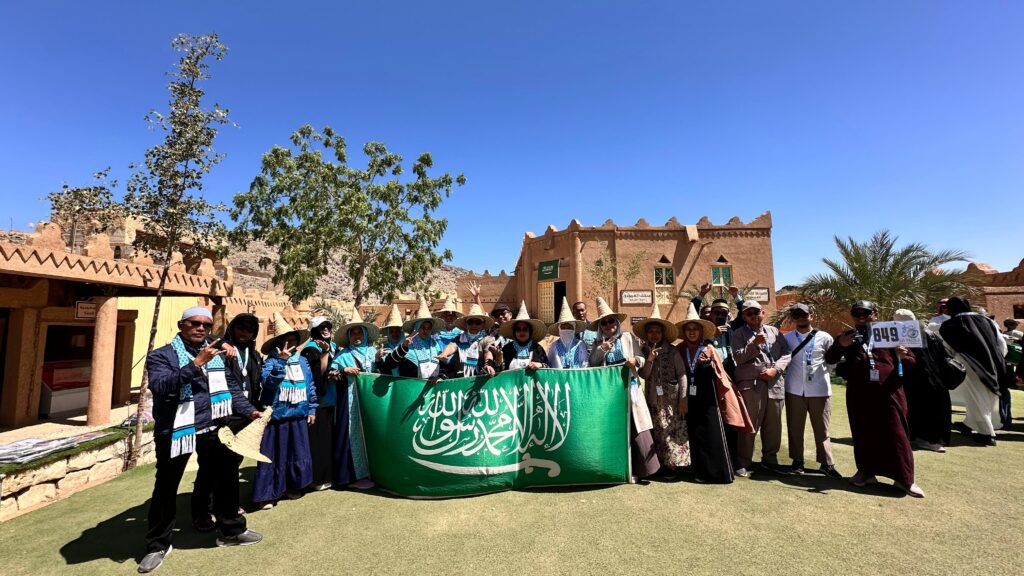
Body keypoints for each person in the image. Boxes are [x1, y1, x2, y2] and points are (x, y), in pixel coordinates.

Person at [139, 307, 262, 574]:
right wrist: (195, 364)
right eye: (194, 323)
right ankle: (157, 545)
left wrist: (250, 410)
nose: (201, 328)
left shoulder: (216, 355)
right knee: (166, 487)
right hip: (176, 431)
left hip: (213, 425)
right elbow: (161, 386)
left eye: (206, 325)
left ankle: (231, 530)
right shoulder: (162, 355)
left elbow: (231, 388)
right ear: (181, 325)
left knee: (227, 478)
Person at [826, 301, 923, 497]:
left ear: (875, 314)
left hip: (888, 391)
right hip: (859, 392)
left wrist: (903, 356)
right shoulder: (847, 336)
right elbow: (830, 359)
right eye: (857, 313)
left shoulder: (890, 333)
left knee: (896, 433)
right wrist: (840, 345)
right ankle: (866, 472)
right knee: (862, 432)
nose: (861, 317)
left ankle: (904, 479)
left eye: (866, 313)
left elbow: (912, 361)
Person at [192, 312, 263, 531]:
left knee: (232, 466)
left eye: (249, 330)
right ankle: (202, 511)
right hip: (222, 414)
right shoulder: (221, 349)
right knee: (209, 467)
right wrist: (223, 342)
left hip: (244, 413)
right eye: (240, 328)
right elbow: (206, 336)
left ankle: (225, 505)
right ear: (232, 328)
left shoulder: (254, 354)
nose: (244, 333)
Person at [676, 303, 751, 483]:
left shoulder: (709, 349)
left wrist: (708, 366)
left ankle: (717, 473)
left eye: (695, 329)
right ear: (684, 331)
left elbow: (720, 376)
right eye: (689, 329)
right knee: (694, 435)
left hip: (709, 399)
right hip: (688, 398)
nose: (692, 332)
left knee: (710, 435)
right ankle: (698, 471)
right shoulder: (680, 349)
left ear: (701, 331)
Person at [588, 297, 660, 481]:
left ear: (617, 322)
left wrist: (635, 360)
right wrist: (602, 349)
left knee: (636, 427)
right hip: (609, 395)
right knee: (615, 429)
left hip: (631, 389)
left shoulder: (627, 337)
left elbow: (641, 358)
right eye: (604, 323)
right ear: (600, 327)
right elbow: (592, 363)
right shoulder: (597, 343)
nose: (608, 325)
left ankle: (643, 470)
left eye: (611, 321)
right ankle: (620, 470)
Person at [253, 314, 315, 508]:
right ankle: (267, 494)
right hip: (276, 417)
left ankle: (292, 487)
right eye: (286, 340)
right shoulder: (270, 361)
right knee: (272, 456)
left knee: (296, 453)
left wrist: (312, 409)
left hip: (298, 415)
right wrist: (281, 362)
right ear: (279, 343)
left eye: (294, 339)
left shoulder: (302, 362)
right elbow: (268, 384)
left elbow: (310, 386)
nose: (290, 343)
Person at [730, 300, 791, 476]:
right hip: (752, 385)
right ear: (744, 317)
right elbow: (738, 358)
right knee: (750, 424)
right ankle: (743, 461)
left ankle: (770, 460)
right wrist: (754, 344)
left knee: (773, 425)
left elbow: (787, 353)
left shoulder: (774, 332)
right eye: (749, 314)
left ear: (763, 313)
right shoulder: (739, 334)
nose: (754, 316)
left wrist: (776, 369)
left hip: (774, 383)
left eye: (756, 312)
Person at [781, 304, 841, 478]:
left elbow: (831, 361)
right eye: (796, 315)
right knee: (795, 428)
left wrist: (822, 375)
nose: (801, 318)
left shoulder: (825, 337)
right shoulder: (786, 338)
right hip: (794, 389)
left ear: (811, 316)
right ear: (792, 318)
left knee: (822, 429)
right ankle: (797, 461)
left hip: (819, 389)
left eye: (804, 315)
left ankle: (826, 463)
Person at [940, 296, 1007, 445]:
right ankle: (968, 424)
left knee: (975, 396)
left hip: (968, 364)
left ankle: (986, 434)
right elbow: (1001, 344)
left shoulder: (950, 324)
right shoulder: (987, 320)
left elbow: (948, 349)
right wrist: (996, 359)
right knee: (988, 395)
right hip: (993, 363)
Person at [635, 304, 690, 477]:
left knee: (671, 434)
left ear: (662, 333)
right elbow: (643, 375)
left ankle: (672, 467)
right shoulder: (643, 350)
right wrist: (650, 359)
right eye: (651, 332)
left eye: (657, 331)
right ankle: (659, 466)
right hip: (653, 401)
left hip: (671, 401)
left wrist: (683, 399)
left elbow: (682, 375)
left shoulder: (672, 351)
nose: (654, 335)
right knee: (657, 434)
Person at [329, 309, 377, 489]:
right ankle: (349, 476)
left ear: (365, 334)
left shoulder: (373, 352)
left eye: (360, 333)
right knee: (349, 435)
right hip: (349, 402)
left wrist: (380, 360)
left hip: (370, 401)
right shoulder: (343, 355)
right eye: (353, 333)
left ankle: (371, 472)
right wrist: (343, 370)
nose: (357, 336)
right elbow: (330, 374)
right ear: (349, 336)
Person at [893, 309, 952, 453]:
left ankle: (926, 439)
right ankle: (929, 439)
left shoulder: (904, 335)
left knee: (920, 409)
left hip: (917, 379)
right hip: (935, 378)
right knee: (932, 409)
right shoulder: (930, 333)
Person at [300, 316, 337, 492]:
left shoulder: (332, 346)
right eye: (321, 327)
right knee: (318, 442)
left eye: (328, 326)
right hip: (318, 404)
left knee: (327, 440)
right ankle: (316, 478)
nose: (326, 329)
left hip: (331, 401)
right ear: (315, 330)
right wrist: (324, 354)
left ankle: (327, 475)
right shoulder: (311, 350)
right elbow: (317, 379)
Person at [380, 296, 454, 379]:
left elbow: (442, 367)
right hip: (410, 386)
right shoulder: (407, 344)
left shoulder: (434, 345)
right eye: (422, 327)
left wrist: (440, 377)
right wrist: (403, 347)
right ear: (417, 328)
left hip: (431, 387)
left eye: (428, 328)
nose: (425, 330)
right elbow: (389, 364)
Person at [439, 302, 496, 376]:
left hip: (479, 377)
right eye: (470, 322)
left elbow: (488, 352)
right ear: (466, 324)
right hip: (460, 377)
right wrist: (444, 354)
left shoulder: (487, 339)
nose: (474, 325)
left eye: (478, 322)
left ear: (483, 325)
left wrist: (488, 365)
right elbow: (452, 346)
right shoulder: (459, 338)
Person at [499, 301, 549, 370]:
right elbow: (500, 371)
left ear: (530, 332)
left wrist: (541, 365)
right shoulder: (507, 349)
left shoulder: (537, 349)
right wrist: (499, 360)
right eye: (518, 329)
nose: (521, 332)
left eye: (525, 329)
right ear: (514, 332)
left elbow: (549, 368)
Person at [546, 297, 589, 369]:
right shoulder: (554, 346)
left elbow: (585, 364)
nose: (566, 330)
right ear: (559, 329)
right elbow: (552, 365)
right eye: (563, 327)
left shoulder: (580, 345)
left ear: (574, 329)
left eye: (569, 327)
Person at [378, 304, 405, 376]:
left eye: (397, 331)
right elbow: (381, 369)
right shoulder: (385, 348)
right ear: (388, 333)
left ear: (401, 332)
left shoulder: (407, 348)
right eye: (392, 331)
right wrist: (378, 359)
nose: (394, 334)